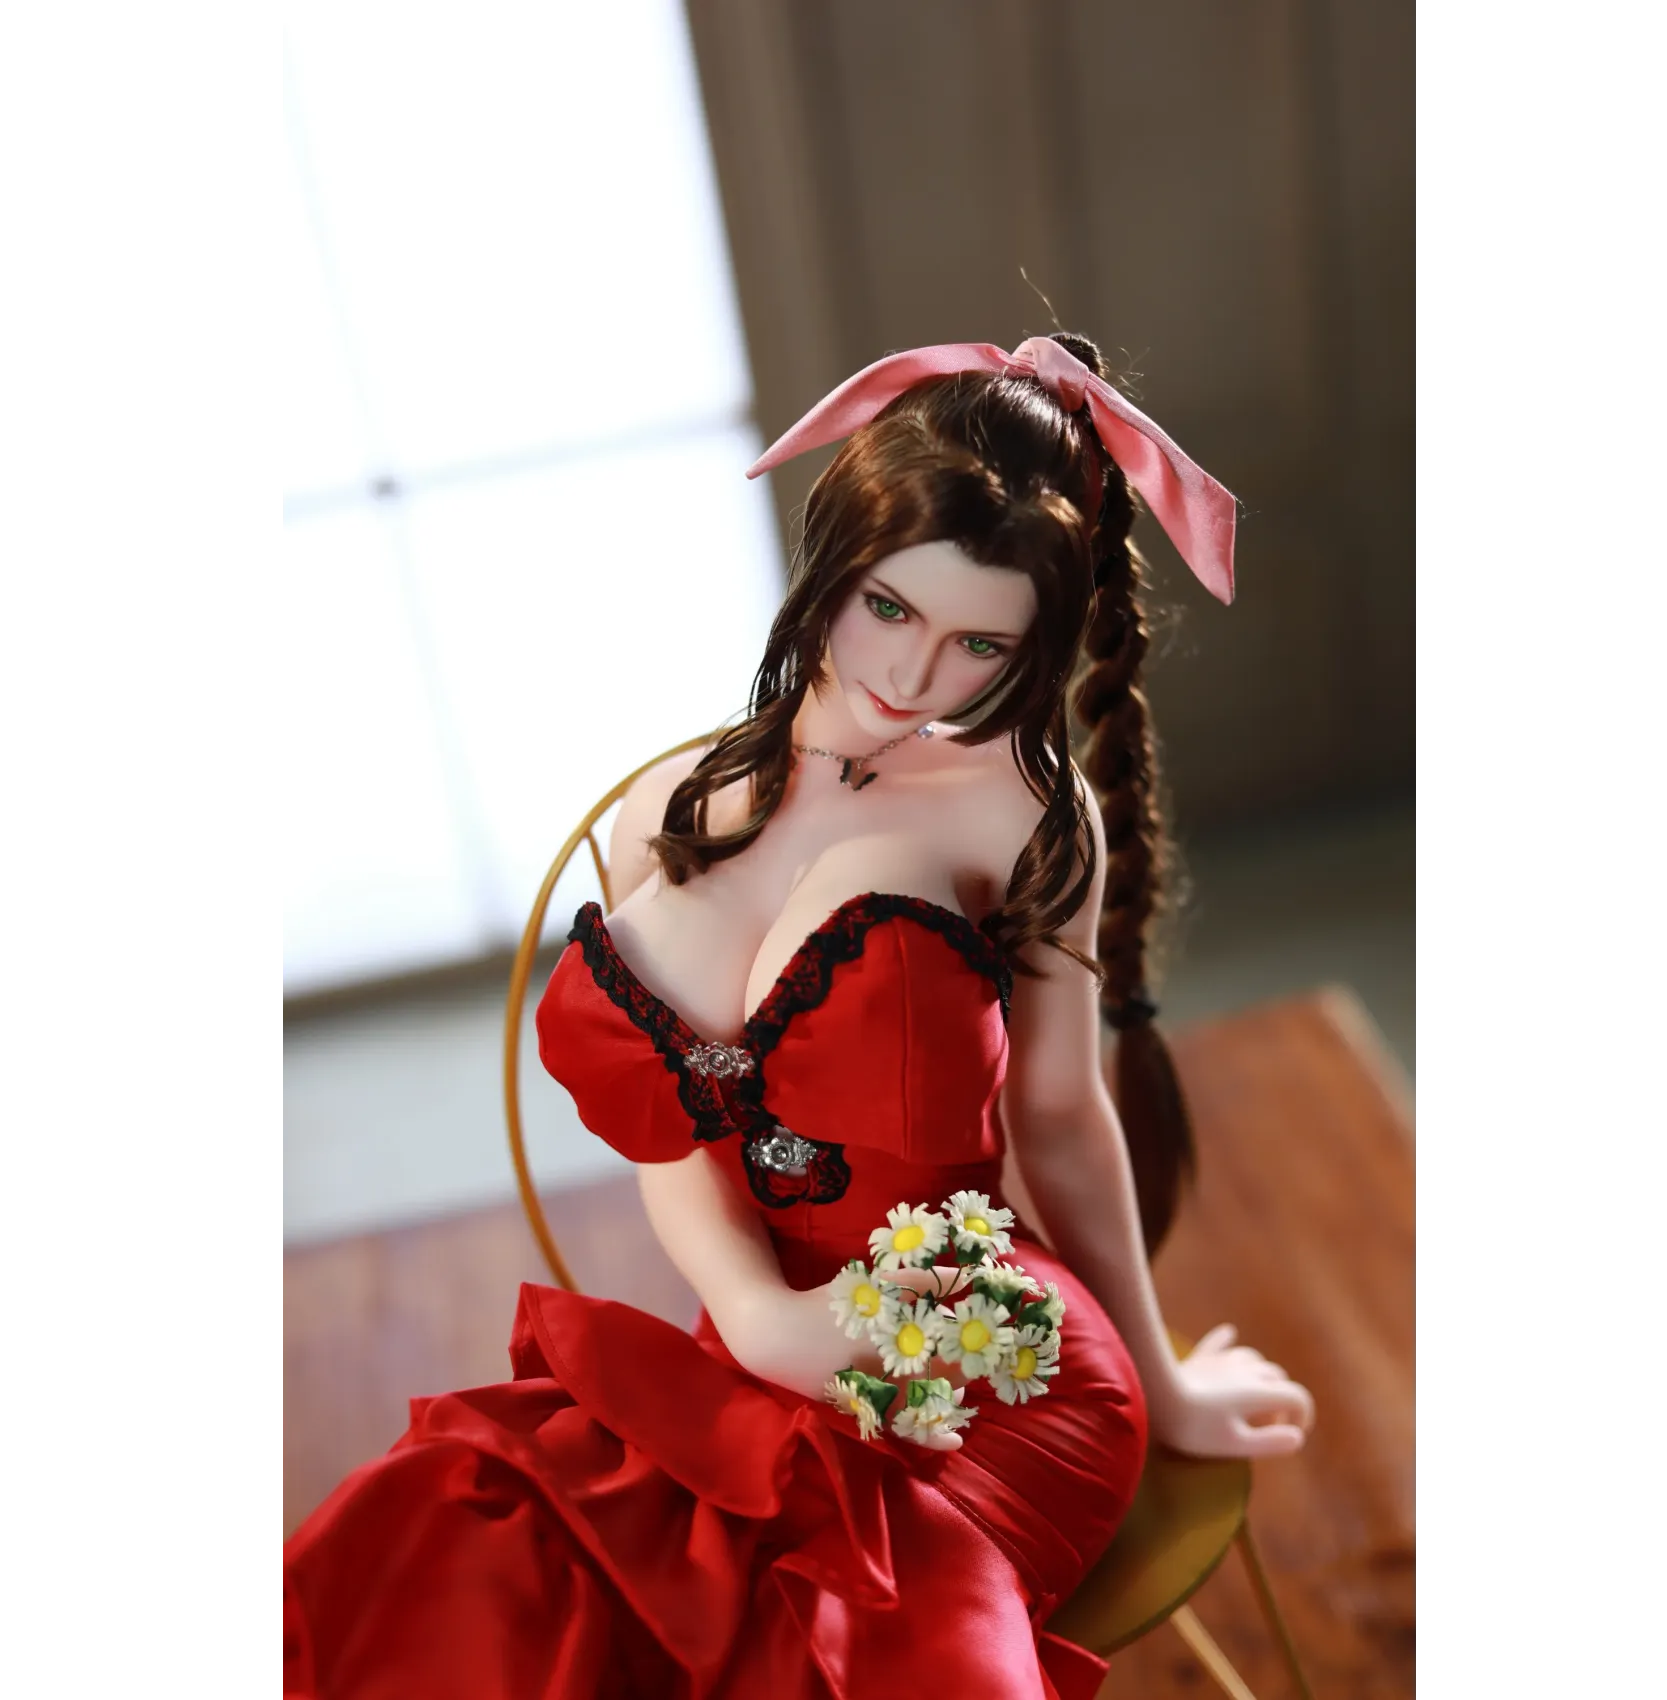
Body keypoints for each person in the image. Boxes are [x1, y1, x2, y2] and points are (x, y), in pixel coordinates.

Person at [281, 332, 1315, 1699]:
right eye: (888, 607)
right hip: (761, 1355)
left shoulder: (1020, 815)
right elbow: (676, 1139)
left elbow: (1061, 1123)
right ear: (833, 559)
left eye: (979, 645)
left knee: (828, 1652)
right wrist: (764, 1319)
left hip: (988, 1352)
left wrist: (1168, 1387)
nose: (915, 676)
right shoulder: (670, 814)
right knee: (460, 1559)